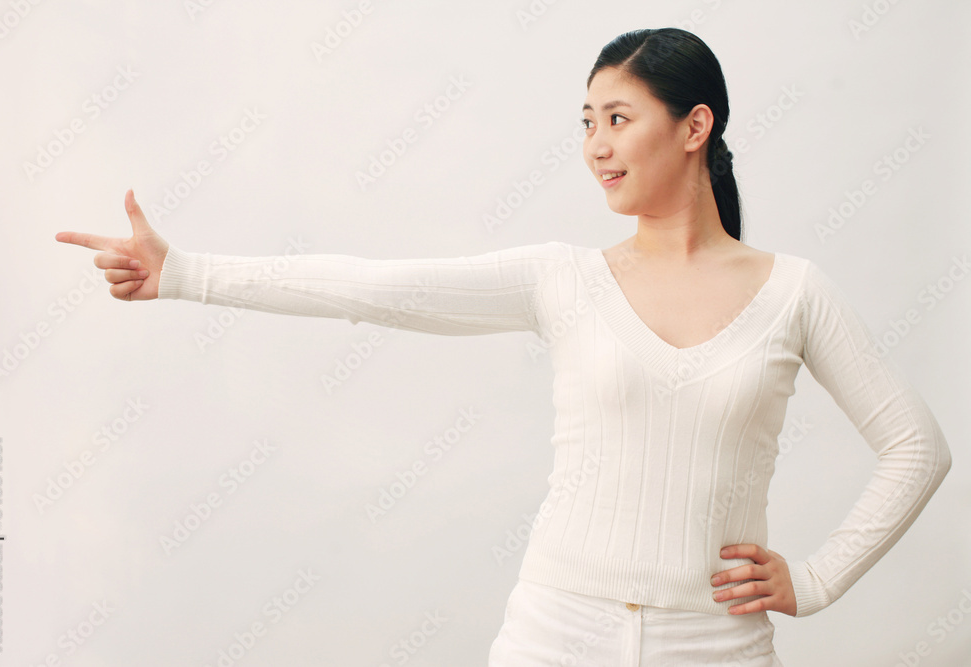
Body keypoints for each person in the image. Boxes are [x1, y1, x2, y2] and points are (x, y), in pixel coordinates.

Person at [56, 27, 951, 667]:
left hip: (715, 644)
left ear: (694, 126)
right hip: (556, 634)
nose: (596, 146)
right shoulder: (562, 278)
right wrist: (186, 272)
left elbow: (918, 446)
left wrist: (816, 580)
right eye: (586, 123)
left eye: (618, 118)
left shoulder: (793, 291)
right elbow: (377, 288)